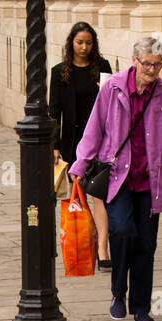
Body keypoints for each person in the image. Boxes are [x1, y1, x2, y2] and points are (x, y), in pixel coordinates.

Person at [70, 36, 162, 321]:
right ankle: (118, 293)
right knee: (123, 231)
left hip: (151, 180)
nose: (152, 71)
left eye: (158, 65)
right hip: (118, 177)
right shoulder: (112, 88)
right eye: (147, 64)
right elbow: (94, 129)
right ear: (134, 60)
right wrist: (80, 165)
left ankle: (141, 308)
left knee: (146, 245)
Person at [49, 22, 112, 268]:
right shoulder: (59, 72)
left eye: (88, 42)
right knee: (75, 195)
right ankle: (79, 240)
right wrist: (54, 145)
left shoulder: (103, 68)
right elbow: (54, 110)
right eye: (79, 42)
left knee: (99, 193)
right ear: (71, 44)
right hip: (72, 142)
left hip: (100, 140)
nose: (84, 47)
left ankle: (103, 250)